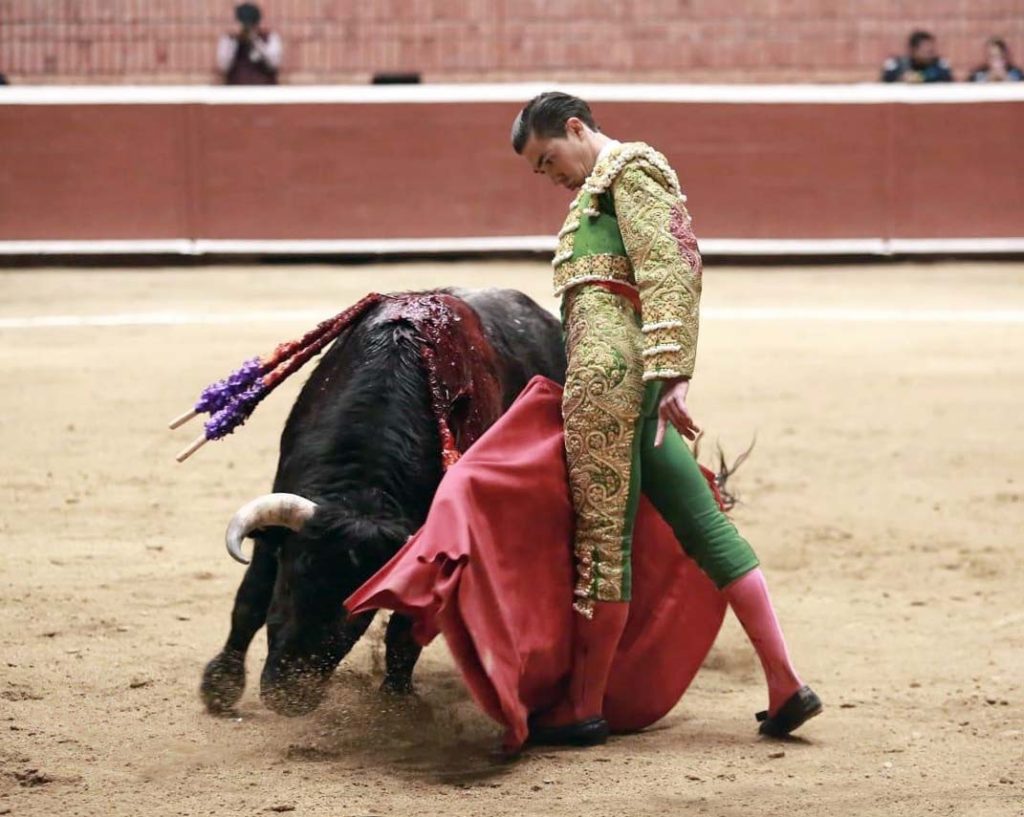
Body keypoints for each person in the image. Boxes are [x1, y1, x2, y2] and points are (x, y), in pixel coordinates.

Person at [510, 92, 822, 747]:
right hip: (627, 378)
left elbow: (672, 267)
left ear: (574, 127)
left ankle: (585, 705)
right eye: (538, 170)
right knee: (703, 523)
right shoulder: (599, 191)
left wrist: (673, 367)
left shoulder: (630, 170)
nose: (550, 174)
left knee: (602, 539)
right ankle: (785, 683)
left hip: (610, 381)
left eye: (548, 158)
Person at [216, 3, 282, 86]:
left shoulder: (270, 37)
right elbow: (224, 66)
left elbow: (273, 63)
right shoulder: (228, 39)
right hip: (236, 91)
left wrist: (256, 41)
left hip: (264, 92)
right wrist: (235, 42)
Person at [881, 30, 953, 83]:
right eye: (926, 52)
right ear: (914, 50)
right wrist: (902, 78)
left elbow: (948, 80)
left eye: (932, 51)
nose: (930, 55)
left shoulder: (939, 64)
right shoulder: (898, 64)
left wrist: (923, 78)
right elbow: (885, 81)